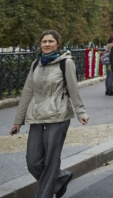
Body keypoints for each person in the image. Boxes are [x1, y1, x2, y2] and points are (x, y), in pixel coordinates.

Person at [10, 30, 89, 198]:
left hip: (58, 115)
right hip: (36, 117)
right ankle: (62, 177)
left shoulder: (65, 63)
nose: (47, 44)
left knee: (51, 162)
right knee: (33, 162)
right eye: (44, 41)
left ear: (57, 44)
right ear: (40, 44)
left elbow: (73, 89)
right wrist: (18, 121)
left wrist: (80, 112)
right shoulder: (35, 65)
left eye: (50, 41)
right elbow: (26, 93)